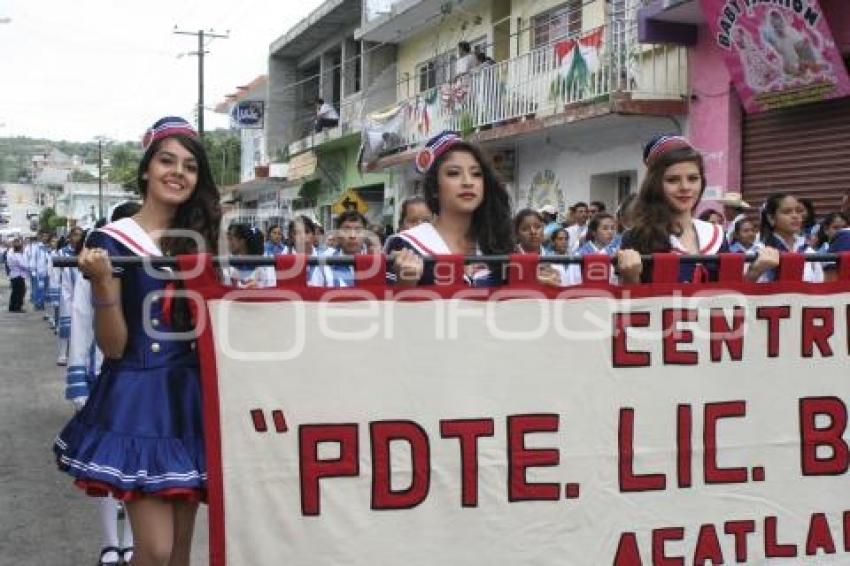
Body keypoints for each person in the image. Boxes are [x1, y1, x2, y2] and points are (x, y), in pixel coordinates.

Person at [54, 116, 221, 566]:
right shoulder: (109, 240)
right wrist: (105, 286)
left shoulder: (199, 241)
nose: (178, 172)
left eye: (189, 166)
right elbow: (112, 349)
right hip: (138, 395)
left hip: (190, 396)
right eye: (167, 160)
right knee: (155, 549)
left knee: (182, 555)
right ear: (146, 168)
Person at [66, 203, 140, 566]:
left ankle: (130, 541)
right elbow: (81, 315)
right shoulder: (97, 261)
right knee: (106, 466)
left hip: (142, 379)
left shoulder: (151, 260)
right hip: (103, 374)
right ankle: (110, 542)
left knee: (139, 469)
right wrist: (78, 380)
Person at [617, 135, 777, 284]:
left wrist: (756, 270)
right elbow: (631, 306)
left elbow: (730, 293)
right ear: (655, 184)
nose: (685, 187)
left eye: (693, 178)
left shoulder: (716, 234)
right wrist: (631, 277)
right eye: (673, 180)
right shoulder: (636, 237)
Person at [386, 131, 513, 286]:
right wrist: (405, 284)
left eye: (476, 174)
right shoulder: (406, 245)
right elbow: (379, 306)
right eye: (454, 173)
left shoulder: (500, 243)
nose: (468, 182)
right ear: (434, 187)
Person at [758, 192, 822, 282]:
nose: (795, 216)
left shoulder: (808, 252)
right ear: (771, 218)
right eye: (787, 212)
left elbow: (819, 285)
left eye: (798, 211)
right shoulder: (759, 251)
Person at [514, 208, 565, 286]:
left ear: (543, 228)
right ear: (517, 233)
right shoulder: (508, 259)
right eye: (525, 229)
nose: (533, 232)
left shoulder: (555, 260)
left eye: (537, 227)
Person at [55, 227, 84, 365]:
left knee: (81, 325)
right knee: (65, 324)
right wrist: (55, 293)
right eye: (75, 235)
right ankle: (62, 354)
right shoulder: (62, 253)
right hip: (66, 293)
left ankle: (77, 354)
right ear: (70, 237)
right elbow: (55, 274)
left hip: (82, 293)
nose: (77, 238)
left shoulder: (84, 253)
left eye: (80, 235)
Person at [324, 210, 370, 287]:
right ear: (338, 234)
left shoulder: (377, 262)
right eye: (346, 230)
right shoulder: (325, 264)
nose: (352, 236)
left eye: (358, 230)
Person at [222, 223, 275, 289]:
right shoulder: (227, 265)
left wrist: (259, 287)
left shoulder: (267, 263)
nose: (228, 243)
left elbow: (272, 288)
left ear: (242, 241)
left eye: (230, 239)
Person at [7, 237, 28, 312]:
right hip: (18, 276)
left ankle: (12, 307)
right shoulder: (18, 256)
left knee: (14, 292)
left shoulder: (12, 255)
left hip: (13, 275)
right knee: (20, 292)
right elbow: (24, 265)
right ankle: (17, 307)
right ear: (20, 249)